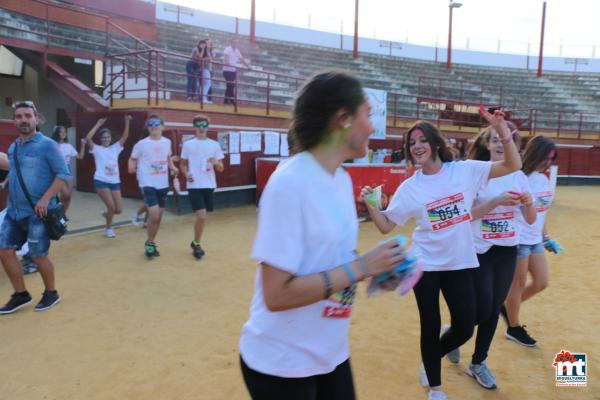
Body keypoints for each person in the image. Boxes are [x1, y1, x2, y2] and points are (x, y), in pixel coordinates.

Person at [239, 71, 404, 400]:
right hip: (282, 364)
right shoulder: (290, 183)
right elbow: (277, 296)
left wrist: (376, 269)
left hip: (329, 353)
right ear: (343, 119)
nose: (372, 127)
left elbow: (330, 260)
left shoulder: (341, 179)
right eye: (367, 115)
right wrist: (360, 269)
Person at [360, 113, 521, 400]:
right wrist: (372, 205)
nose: (417, 146)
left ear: (435, 143)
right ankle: (435, 389)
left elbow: (512, 164)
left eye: (422, 140)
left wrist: (501, 132)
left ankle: (431, 357)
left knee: (465, 326)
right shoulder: (410, 187)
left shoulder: (464, 171)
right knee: (429, 322)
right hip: (425, 263)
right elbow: (386, 225)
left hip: (459, 262)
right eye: (412, 142)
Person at [453, 124, 536, 389]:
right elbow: (466, 217)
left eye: (507, 139)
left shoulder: (520, 176)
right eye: (496, 139)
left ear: (516, 145)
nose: (501, 143)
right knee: (481, 310)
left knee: (492, 311)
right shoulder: (476, 174)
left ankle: (478, 363)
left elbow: (531, 219)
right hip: (480, 250)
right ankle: (453, 334)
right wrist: (496, 201)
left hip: (507, 250)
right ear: (487, 144)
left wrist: (528, 202)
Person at [0, 101, 70, 314]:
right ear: (14, 121)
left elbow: (63, 174)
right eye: (19, 116)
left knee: (38, 255)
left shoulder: (47, 145)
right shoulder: (14, 147)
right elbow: (15, 173)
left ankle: (51, 293)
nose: (23, 120)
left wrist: (45, 198)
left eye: (28, 116)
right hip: (13, 211)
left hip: (38, 212)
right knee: (4, 251)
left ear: (36, 119)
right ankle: (21, 294)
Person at [502, 135, 558, 347]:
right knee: (518, 284)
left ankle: (508, 308)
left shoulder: (543, 179)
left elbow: (542, 212)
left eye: (551, 158)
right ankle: (513, 327)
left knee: (542, 281)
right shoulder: (519, 178)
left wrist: (546, 237)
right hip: (519, 240)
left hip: (535, 240)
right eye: (547, 157)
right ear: (537, 154)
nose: (549, 162)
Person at [128, 114, 178, 258]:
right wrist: (131, 166)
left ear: (162, 126)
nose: (154, 126)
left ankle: (150, 242)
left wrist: (173, 167)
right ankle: (149, 245)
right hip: (147, 182)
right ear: (148, 128)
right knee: (154, 216)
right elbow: (132, 158)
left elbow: (168, 158)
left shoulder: (167, 142)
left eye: (156, 123)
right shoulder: (141, 144)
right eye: (150, 124)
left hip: (162, 183)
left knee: (158, 218)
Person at [180, 115, 224, 259]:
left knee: (203, 217)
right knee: (202, 216)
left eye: (204, 125)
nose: (201, 127)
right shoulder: (188, 145)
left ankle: (195, 242)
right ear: (194, 126)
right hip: (194, 185)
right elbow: (183, 164)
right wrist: (186, 175)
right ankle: (197, 245)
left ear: (208, 127)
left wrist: (216, 162)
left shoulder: (214, 145)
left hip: (209, 184)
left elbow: (221, 169)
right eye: (199, 125)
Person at [86, 115, 131, 238]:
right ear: (100, 139)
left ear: (111, 138)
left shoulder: (115, 148)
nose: (106, 139)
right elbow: (88, 138)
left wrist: (127, 121)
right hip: (101, 181)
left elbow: (125, 137)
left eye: (108, 137)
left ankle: (107, 214)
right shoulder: (96, 149)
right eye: (104, 137)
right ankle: (109, 228)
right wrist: (98, 124)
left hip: (115, 182)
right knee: (111, 206)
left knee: (119, 210)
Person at [52, 125, 85, 213]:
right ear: (57, 133)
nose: (63, 134)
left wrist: (83, 145)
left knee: (68, 196)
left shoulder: (68, 146)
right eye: (61, 132)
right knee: (65, 194)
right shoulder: (53, 145)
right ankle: (55, 202)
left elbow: (80, 157)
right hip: (57, 171)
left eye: (64, 132)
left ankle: (62, 215)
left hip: (67, 170)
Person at [222, 38, 251, 105]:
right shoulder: (227, 49)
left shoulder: (237, 50)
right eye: (234, 42)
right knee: (231, 85)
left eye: (236, 43)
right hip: (227, 70)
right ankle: (232, 100)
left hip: (233, 71)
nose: (235, 44)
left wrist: (248, 66)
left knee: (230, 85)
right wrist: (227, 63)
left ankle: (226, 101)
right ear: (231, 43)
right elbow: (226, 59)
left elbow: (241, 59)